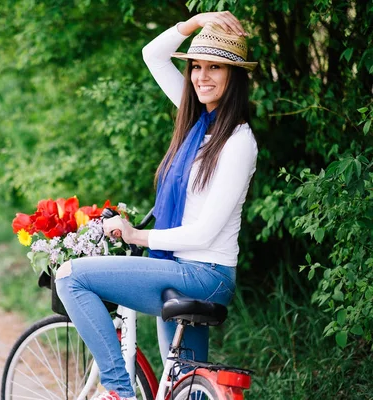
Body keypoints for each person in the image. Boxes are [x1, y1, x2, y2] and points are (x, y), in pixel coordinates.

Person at [55, 11, 258, 400]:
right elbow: (153, 54)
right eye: (197, 66)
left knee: (71, 277)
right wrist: (196, 21)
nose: (202, 77)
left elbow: (204, 232)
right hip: (182, 268)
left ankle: (118, 391)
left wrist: (137, 235)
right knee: (185, 385)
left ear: (235, 74)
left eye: (215, 67)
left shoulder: (238, 142)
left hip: (204, 273)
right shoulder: (198, 119)